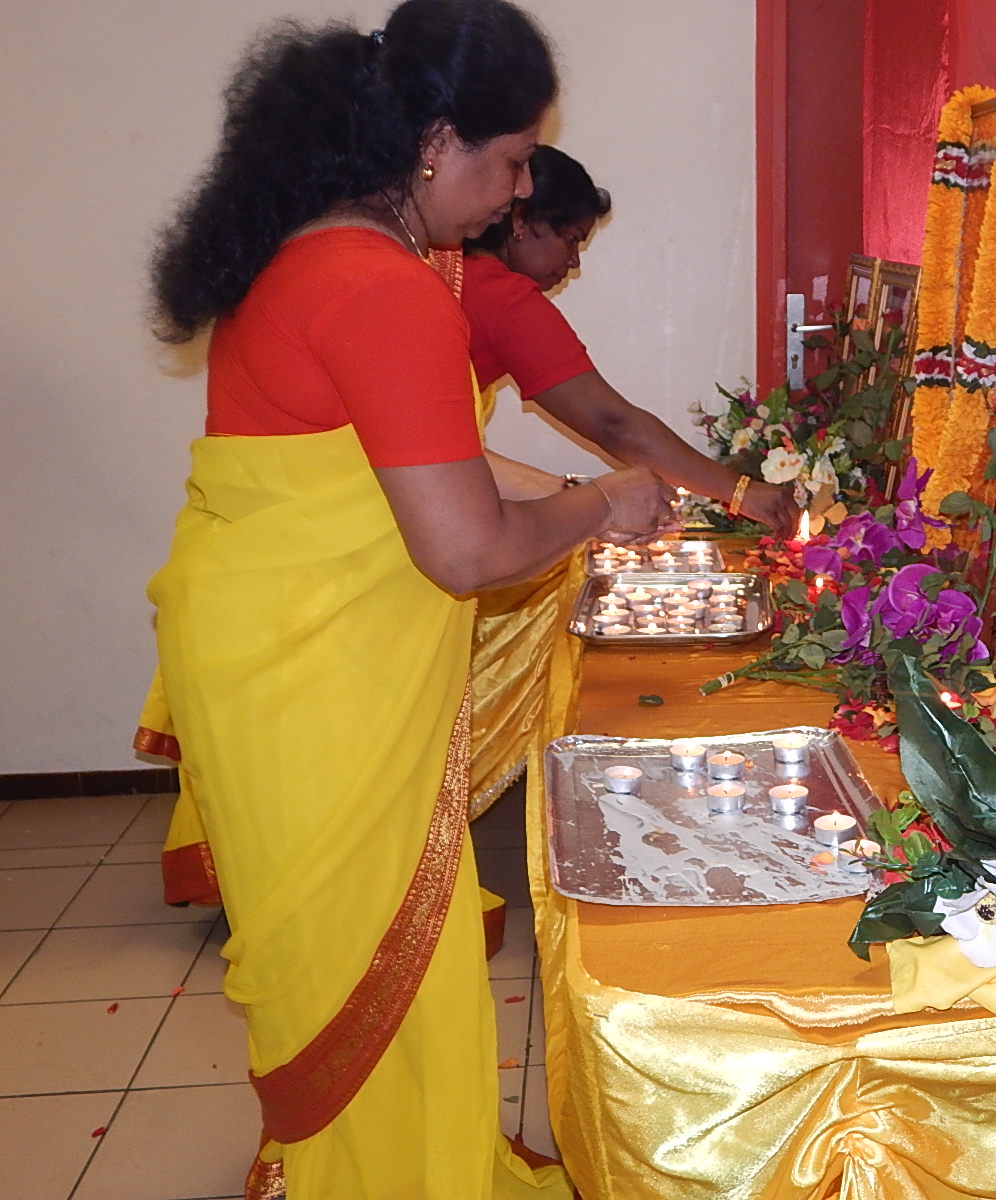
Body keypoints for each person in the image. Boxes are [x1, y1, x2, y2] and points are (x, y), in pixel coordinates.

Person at [141, 2, 676, 1195]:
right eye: (513, 159)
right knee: (368, 940)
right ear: (436, 143)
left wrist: (586, 494)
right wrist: (599, 504)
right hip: (314, 678)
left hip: (274, 652)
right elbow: (467, 550)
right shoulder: (385, 290)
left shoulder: (314, 254)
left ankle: (366, 1161)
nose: (521, 187)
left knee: (348, 943)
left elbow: (419, 460)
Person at [460, 146, 801, 532]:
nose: (574, 262)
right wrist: (742, 492)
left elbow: (462, 456)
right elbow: (612, 425)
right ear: (521, 220)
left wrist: (571, 498)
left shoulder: (460, 272)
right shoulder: (502, 297)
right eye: (571, 239)